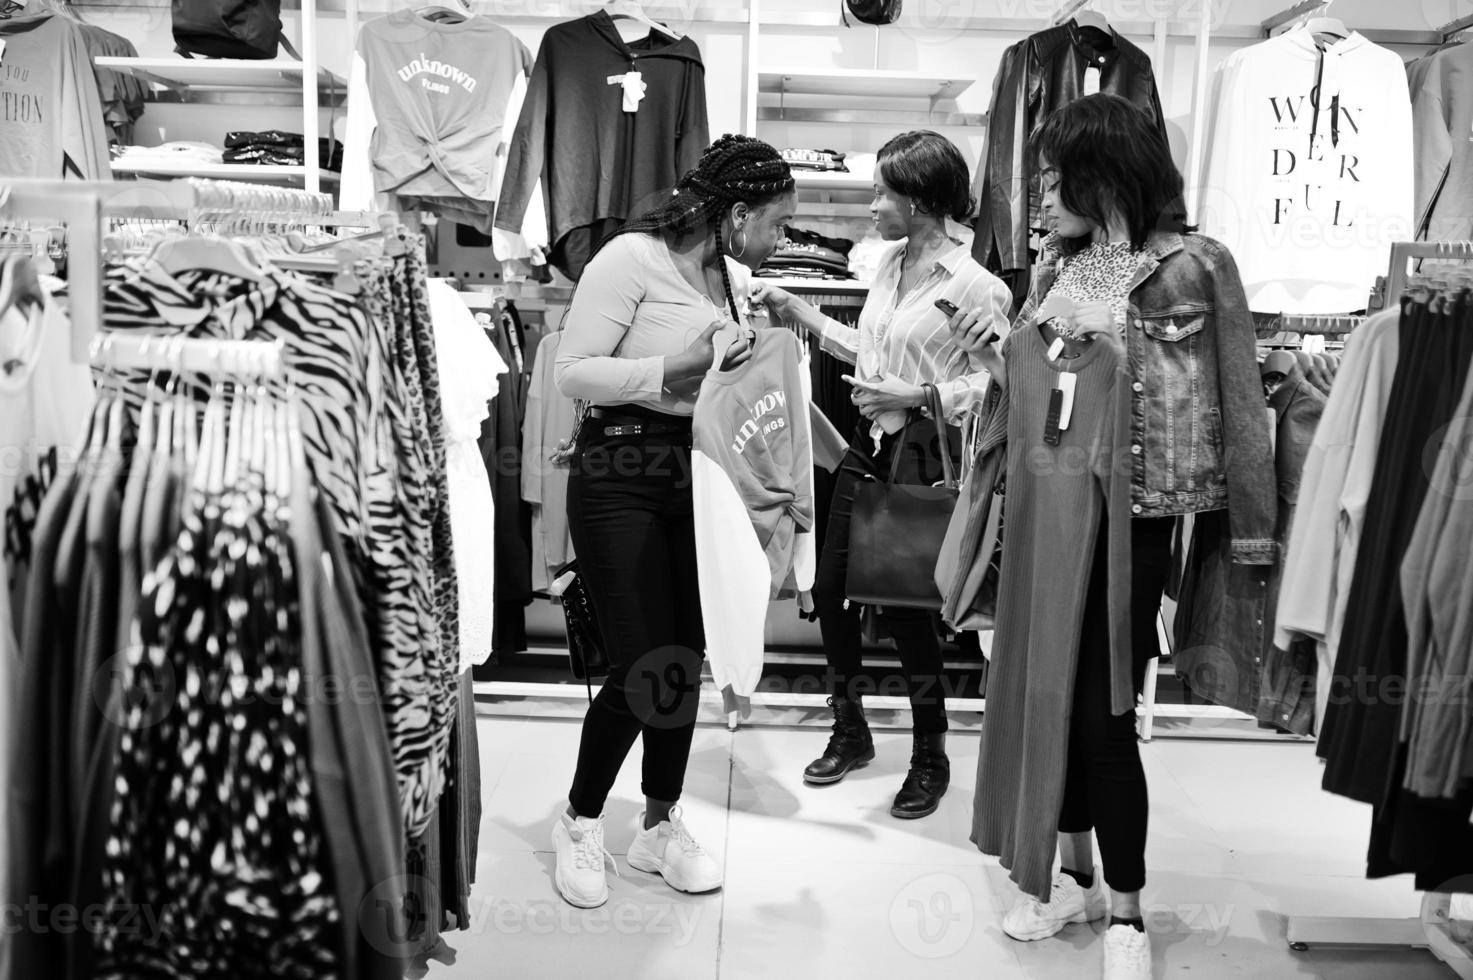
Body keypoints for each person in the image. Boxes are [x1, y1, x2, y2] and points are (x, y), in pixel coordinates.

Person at [964, 94, 1276, 980]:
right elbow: (1033, 403)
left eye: (1061, 174)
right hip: (1045, 514)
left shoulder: (1190, 266)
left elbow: (1241, 403)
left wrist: (1250, 536)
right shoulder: (1060, 270)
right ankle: (1073, 876)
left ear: (1108, 175)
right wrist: (994, 359)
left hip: (1130, 520)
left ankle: (1129, 913)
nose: (1044, 191)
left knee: (1103, 714)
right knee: (1044, 701)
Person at [549, 134, 797, 909]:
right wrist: (675, 369)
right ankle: (580, 818)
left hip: (699, 475)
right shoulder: (630, 259)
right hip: (618, 471)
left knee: (683, 657)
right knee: (638, 660)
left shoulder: (730, 276)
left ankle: (658, 823)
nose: (781, 240)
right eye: (776, 223)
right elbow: (570, 373)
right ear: (735, 213)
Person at [752, 130, 1012, 819]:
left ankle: (931, 750)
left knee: (904, 611)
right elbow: (871, 354)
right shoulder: (888, 265)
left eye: (881, 193)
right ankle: (851, 729)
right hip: (866, 448)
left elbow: (999, 385)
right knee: (830, 590)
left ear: (921, 198)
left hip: (925, 454)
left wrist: (920, 397)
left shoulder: (975, 285)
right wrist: (802, 314)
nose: (871, 206)